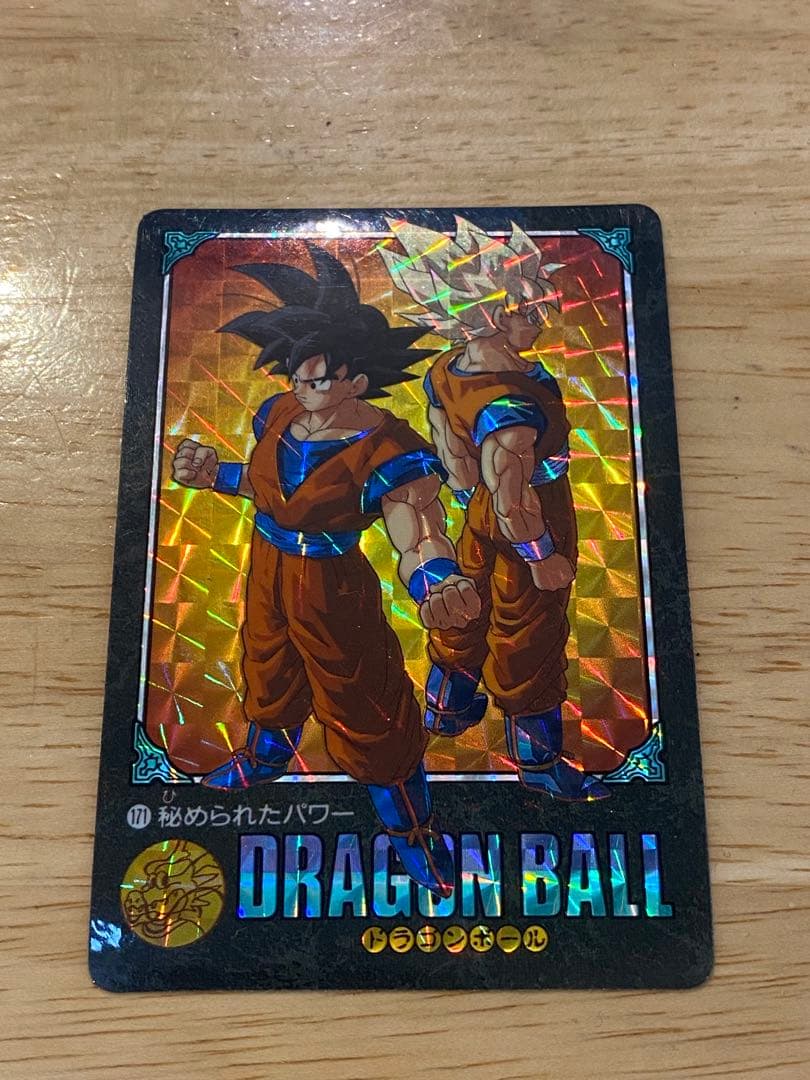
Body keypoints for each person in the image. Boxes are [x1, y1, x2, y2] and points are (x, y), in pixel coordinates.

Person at [171, 243, 480, 897]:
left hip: (333, 584)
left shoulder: (390, 448)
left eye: (318, 378)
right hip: (268, 570)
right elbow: (270, 488)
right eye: (297, 374)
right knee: (268, 666)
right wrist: (215, 475)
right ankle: (264, 759)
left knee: (368, 704)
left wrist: (438, 578)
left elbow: (417, 526)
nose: (302, 387)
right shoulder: (278, 413)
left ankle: (413, 832)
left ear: (357, 380)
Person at [381, 216, 611, 801]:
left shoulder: (447, 367)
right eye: (529, 311)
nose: (541, 321)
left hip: (479, 511)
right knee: (529, 632)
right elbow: (512, 492)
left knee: (466, 607)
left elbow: (450, 449)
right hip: (531, 513)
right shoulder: (512, 399)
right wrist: (541, 555)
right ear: (491, 312)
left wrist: (470, 501)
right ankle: (538, 764)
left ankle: (446, 711)